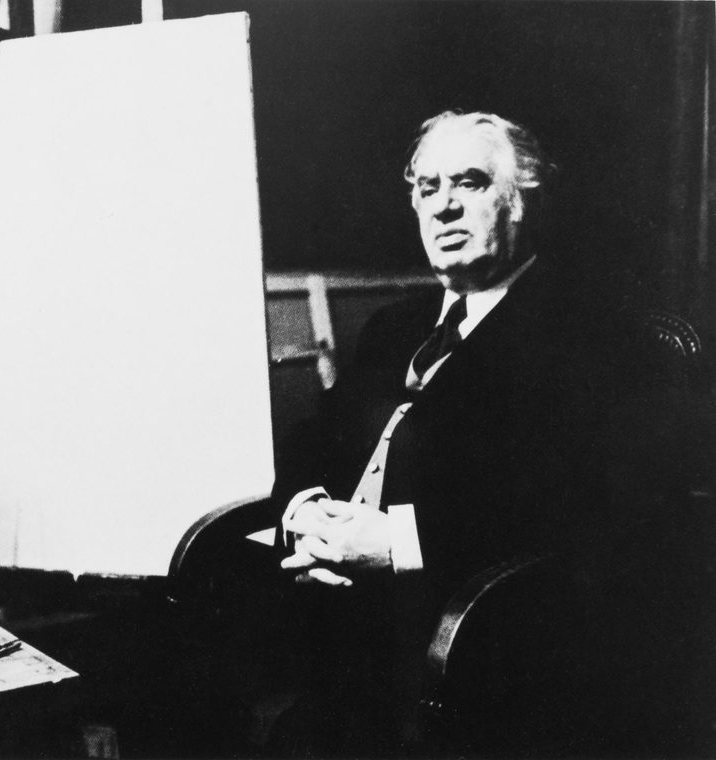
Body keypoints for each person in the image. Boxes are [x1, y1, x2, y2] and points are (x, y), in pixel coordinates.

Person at [268, 111, 689, 753]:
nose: (444, 207)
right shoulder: (394, 326)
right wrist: (305, 514)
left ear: (522, 202)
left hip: (474, 644)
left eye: (469, 183)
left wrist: (395, 543)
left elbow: (582, 510)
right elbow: (313, 438)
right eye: (428, 188)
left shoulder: (591, 334)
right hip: (333, 623)